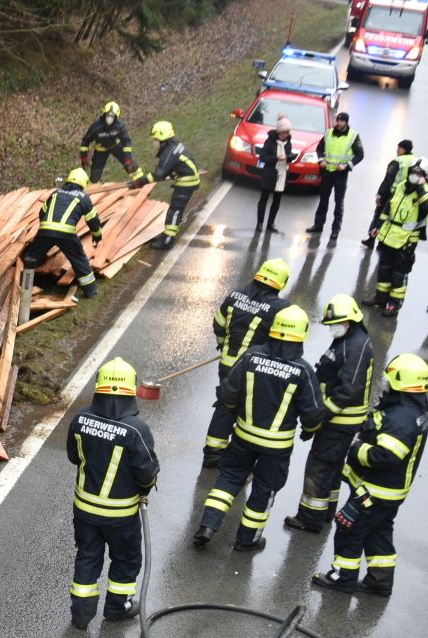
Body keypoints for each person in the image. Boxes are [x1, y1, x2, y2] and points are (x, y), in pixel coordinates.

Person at [194, 305, 325, 552]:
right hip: (276, 447)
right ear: (301, 335)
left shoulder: (251, 356)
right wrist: (310, 430)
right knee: (264, 490)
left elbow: (228, 393)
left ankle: (207, 526)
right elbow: (313, 413)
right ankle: (247, 540)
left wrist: (235, 411)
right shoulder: (303, 371)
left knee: (229, 479)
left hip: (243, 436)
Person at [312, 352, 428, 596]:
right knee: (379, 532)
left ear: (400, 383)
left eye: (390, 381)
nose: (385, 385)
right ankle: (380, 580)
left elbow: (384, 456)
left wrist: (357, 449)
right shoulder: (414, 410)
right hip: (390, 493)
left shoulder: (401, 419)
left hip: (374, 492)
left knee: (349, 531)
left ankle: (342, 578)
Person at [66, 358, 159, 629]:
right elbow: (146, 471)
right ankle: (118, 608)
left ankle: (81, 615)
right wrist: (145, 489)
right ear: (130, 390)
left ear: (99, 387)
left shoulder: (80, 419)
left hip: (84, 509)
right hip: (121, 515)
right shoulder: (136, 430)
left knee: (88, 555)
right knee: (126, 560)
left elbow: (74, 457)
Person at [285, 294, 374, 533]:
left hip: (340, 421)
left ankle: (309, 518)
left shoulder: (356, 346)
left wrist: (321, 415)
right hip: (338, 420)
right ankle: (325, 512)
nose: (332, 328)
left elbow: (349, 389)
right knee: (331, 467)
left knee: (319, 466)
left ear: (351, 321)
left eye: (337, 323)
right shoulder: (347, 339)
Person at [203, 257, 290, 467]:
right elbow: (279, 343)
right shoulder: (280, 309)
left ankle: (213, 453)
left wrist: (224, 345)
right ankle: (238, 458)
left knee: (225, 405)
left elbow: (219, 324)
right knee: (249, 408)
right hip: (254, 370)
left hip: (227, 365)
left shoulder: (235, 296)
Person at [22, 167, 105, 300]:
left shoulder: (56, 193)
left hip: (45, 230)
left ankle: (25, 285)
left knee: (31, 258)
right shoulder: (83, 198)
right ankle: (90, 291)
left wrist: (46, 229)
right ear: (84, 183)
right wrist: (97, 236)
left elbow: (42, 213)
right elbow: (93, 221)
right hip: (67, 234)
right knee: (79, 260)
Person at [370, 157, 428, 316]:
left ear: (425, 176)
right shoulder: (401, 186)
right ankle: (380, 298)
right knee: (384, 270)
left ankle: (394, 304)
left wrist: (419, 188)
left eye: (418, 173)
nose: (414, 175)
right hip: (389, 235)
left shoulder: (427, 192)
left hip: (406, 240)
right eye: (412, 171)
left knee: (399, 274)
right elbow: (389, 206)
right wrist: (378, 226)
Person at [142, 120, 202, 249]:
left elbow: (158, 174)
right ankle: (167, 236)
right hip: (185, 177)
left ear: (163, 138)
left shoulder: (169, 152)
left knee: (175, 211)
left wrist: (140, 181)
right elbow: (172, 168)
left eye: (156, 140)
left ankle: (167, 240)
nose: (154, 143)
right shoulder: (172, 145)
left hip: (187, 181)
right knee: (175, 210)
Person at [307, 111, 364, 244]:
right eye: (337, 121)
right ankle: (318, 225)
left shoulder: (353, 136)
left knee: (339, 202)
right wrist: (321, 160)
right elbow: (319, 148)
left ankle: (335, 229)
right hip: (327, 172)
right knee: (323, 200)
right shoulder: (328, 133)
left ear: (346, 122)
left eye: (342, 121)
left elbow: (360, 155)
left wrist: (347, 165)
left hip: (340, 174)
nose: (339, 123)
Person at [362, 139, 417, 248]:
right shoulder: (414, 160)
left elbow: (388, 179)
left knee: (380, 216)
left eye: (399, 148)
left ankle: (371, 240)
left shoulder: (398, 161)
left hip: (391, 194)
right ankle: (382, 244)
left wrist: (380, 194)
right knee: (392, 219)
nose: (397, 150)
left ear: (403, 149)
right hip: (404, 196)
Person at [79, 101, 148, 188]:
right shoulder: (96, 127)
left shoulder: (119, 126)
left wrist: (127, 158)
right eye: (108, 116)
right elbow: (86, 141)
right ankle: (94, 188)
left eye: (112, 116)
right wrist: (84, 156)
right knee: (95, 173)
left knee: (131, 164)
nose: (109, 119)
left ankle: (141, 182)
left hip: (116, 145)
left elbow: (126, 141)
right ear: (104, 115)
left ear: (116, 117)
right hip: (101, 149)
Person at [255, 116, 297, 234]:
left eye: (287, 132)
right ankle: (260, 223)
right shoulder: (270, 141)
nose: (286, 135)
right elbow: (263, 157)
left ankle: (271, 223)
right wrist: (276, 158)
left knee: (277, 200)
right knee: (264, 198)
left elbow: (287, 156)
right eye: (284, 132)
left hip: (282, 175)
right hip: (269, 173)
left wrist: (289, 158)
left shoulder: (288, 143)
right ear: (279, 132)